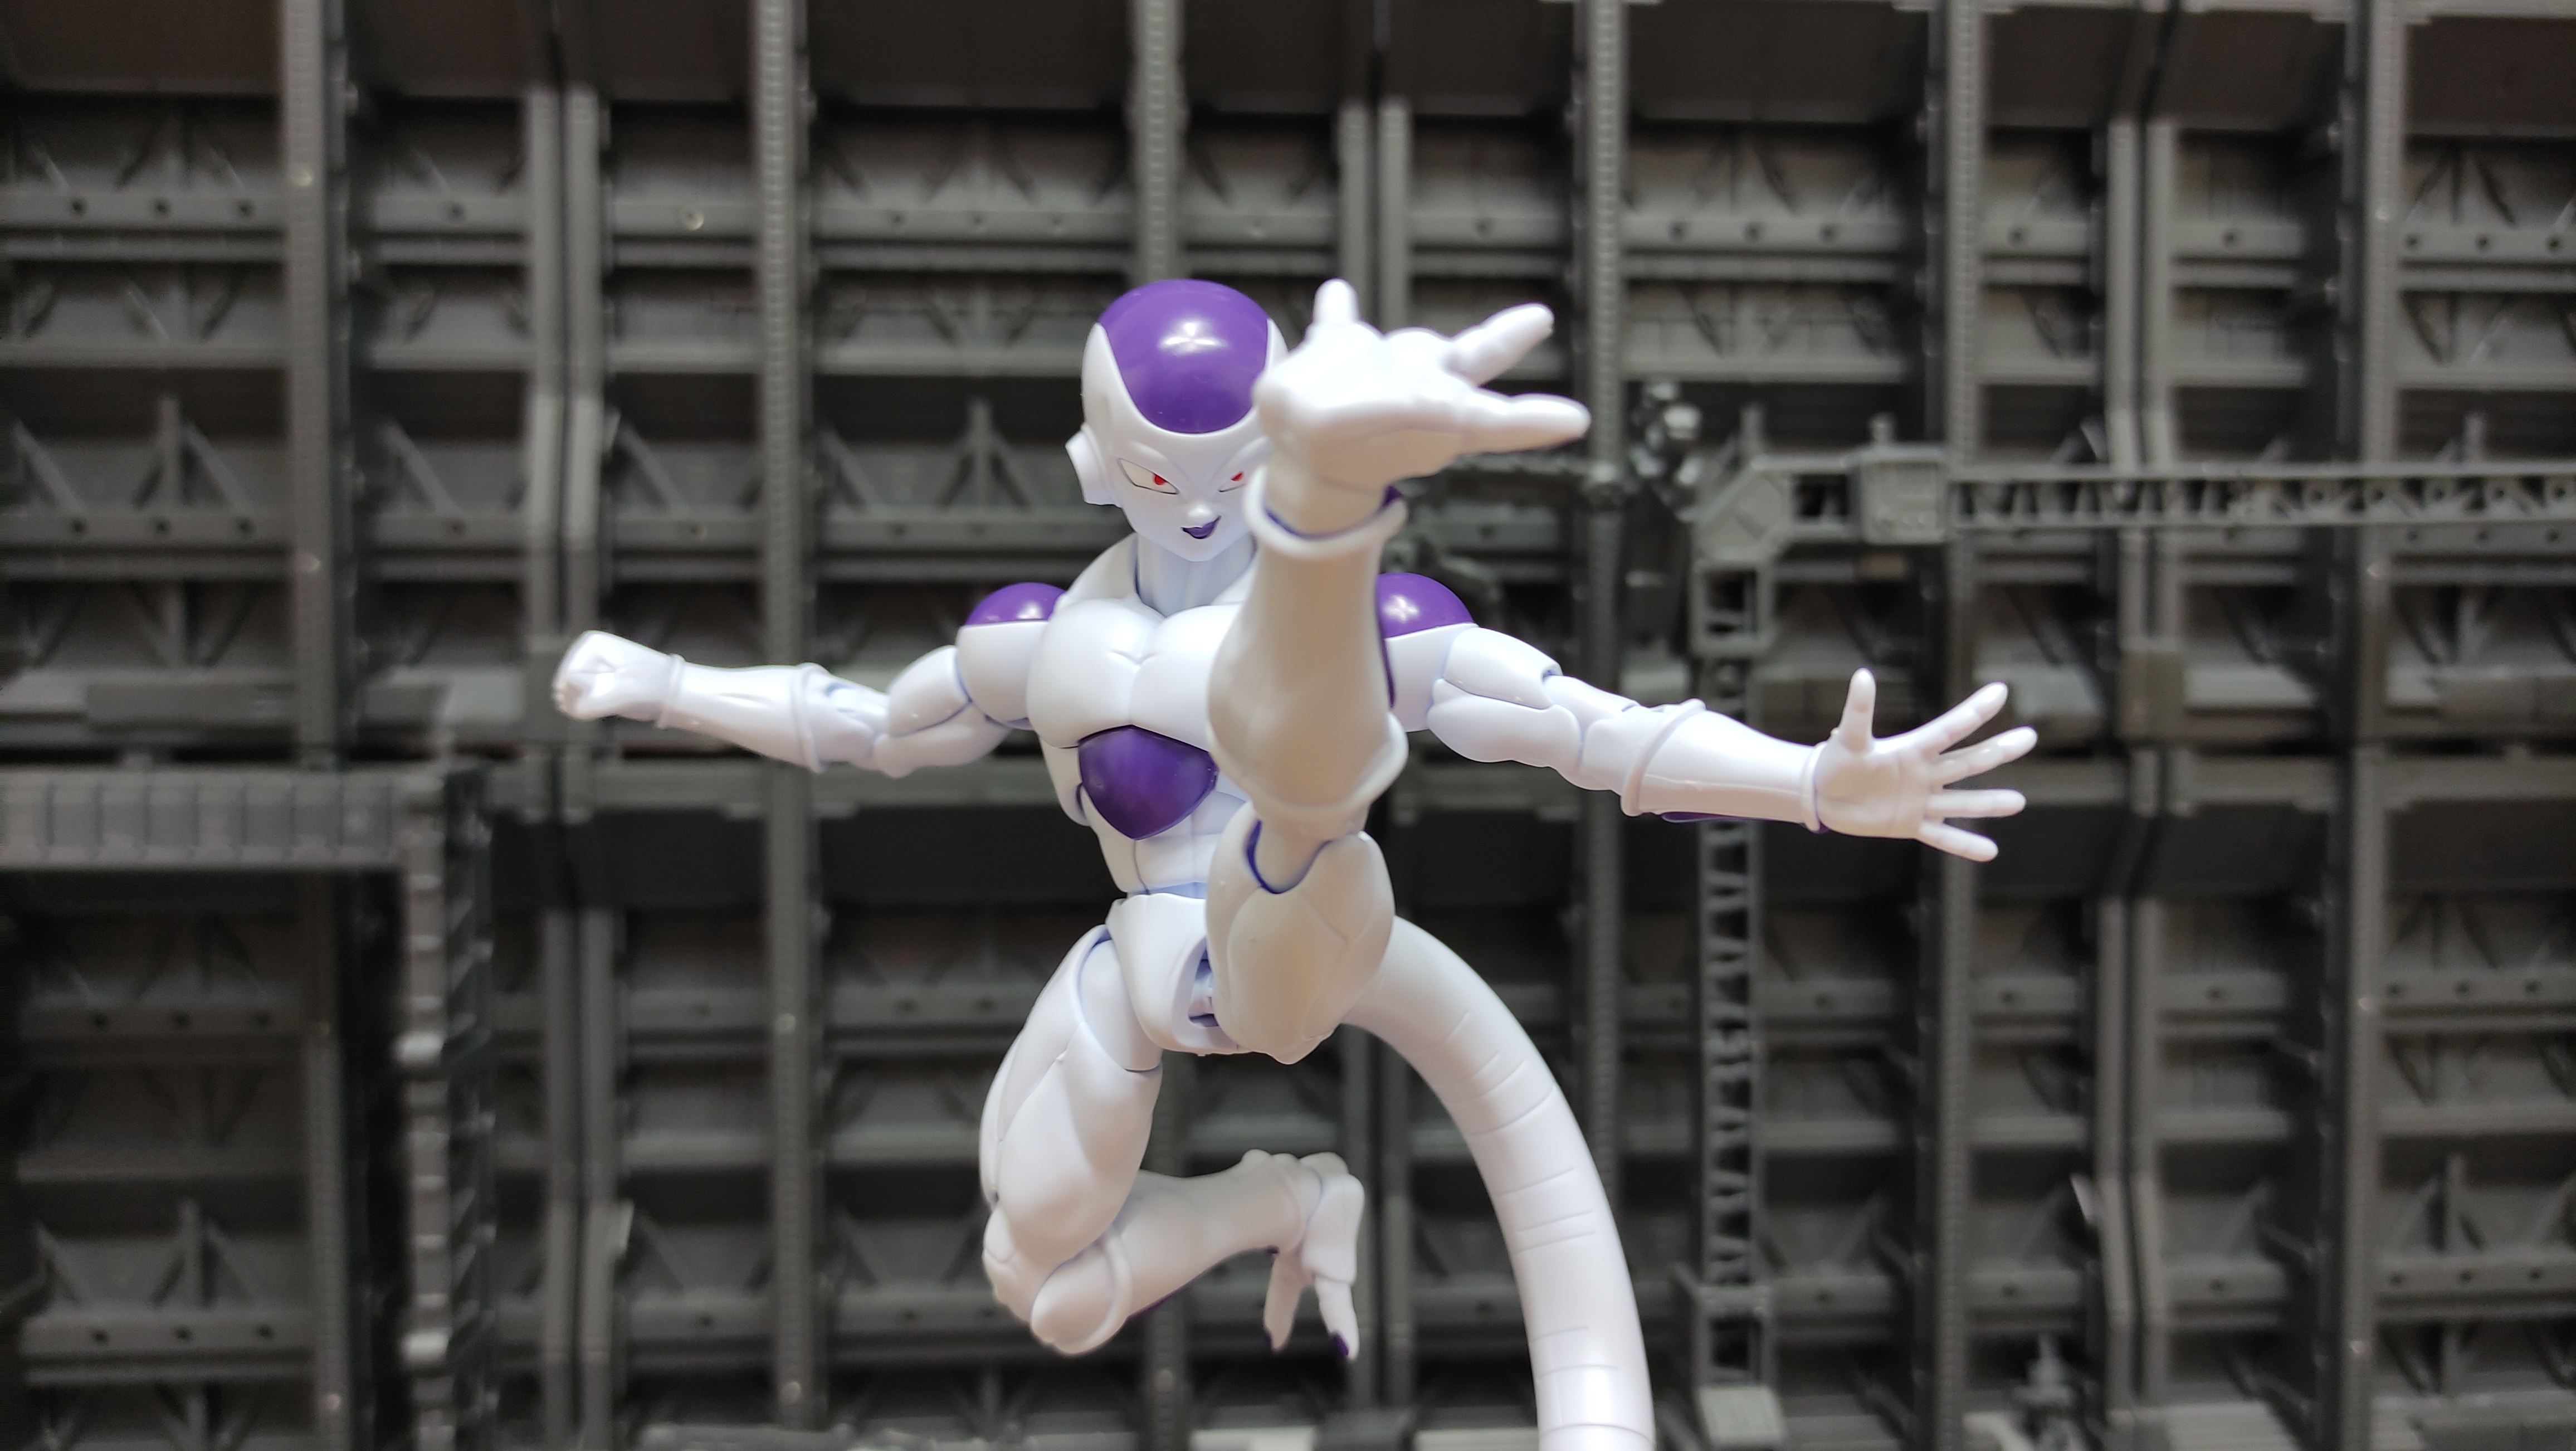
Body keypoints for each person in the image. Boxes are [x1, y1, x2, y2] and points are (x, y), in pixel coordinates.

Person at [554, 277, 2035, 1451]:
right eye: (1161, 472)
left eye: (1235, 471)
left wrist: (1812, 785)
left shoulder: (1384, 638)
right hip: (1141, 965)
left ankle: (1332, 514)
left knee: (1303, 780)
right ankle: (1287, 1198)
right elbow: (860, 722)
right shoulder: (1038, 644)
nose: (1198, 507)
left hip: (1296, 920)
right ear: (1098, 464)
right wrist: (668, 686)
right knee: (1042, 1282)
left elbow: (1594, 732)